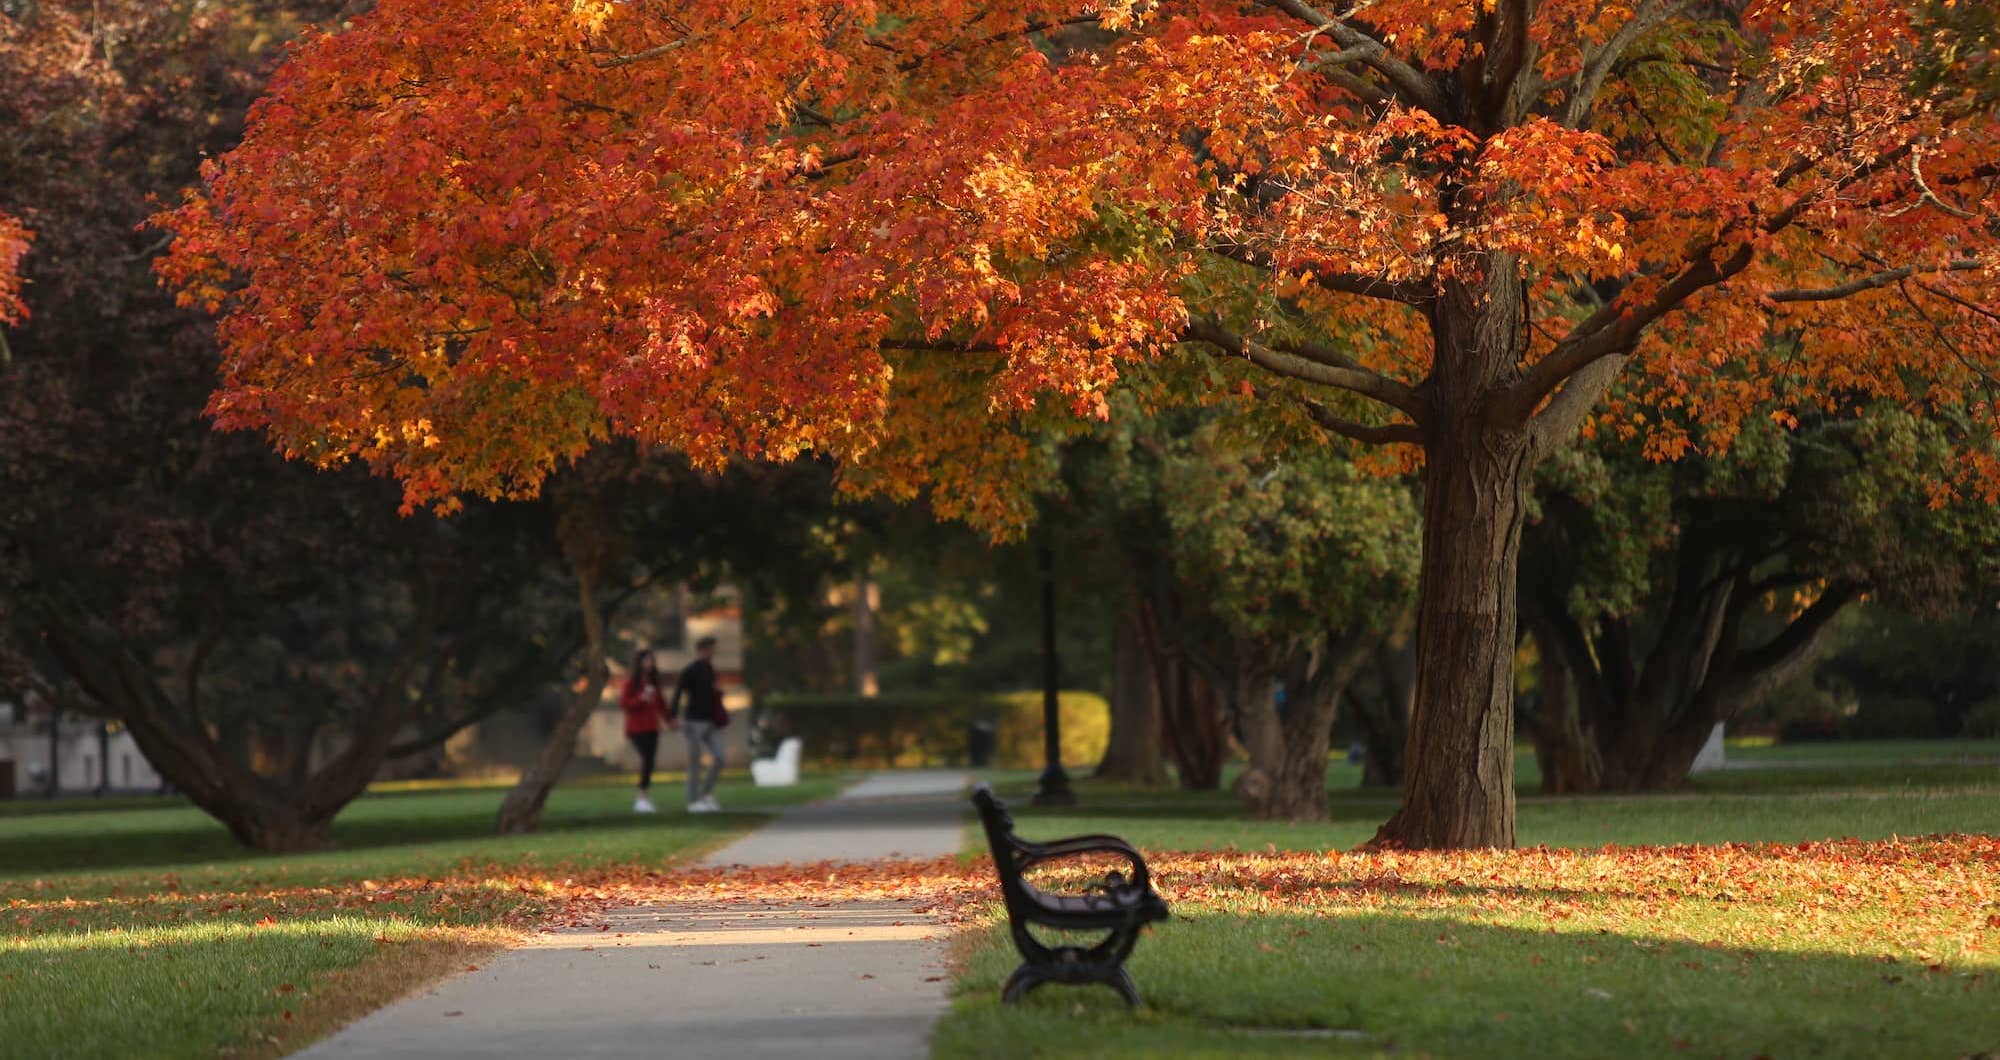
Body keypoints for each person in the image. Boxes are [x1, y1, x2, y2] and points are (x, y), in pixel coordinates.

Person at [671, 636, 726, 813]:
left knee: (719, 757)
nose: (713, 652)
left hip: (710, 722)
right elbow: (678, 692)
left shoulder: (710, 670)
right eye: (710, 649)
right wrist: (673, 716)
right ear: (702, 650)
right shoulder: (691, 670)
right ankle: (693, 800)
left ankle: (705, 795)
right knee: (694, 762)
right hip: (693, 721)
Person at [619, 649, 673, 813]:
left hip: (652, 727)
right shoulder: (631, 683)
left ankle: (644, 796)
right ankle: (642, 797)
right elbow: (624, 704)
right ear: (640, 662)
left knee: (649, 762)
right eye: (646, 660)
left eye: (651, 660)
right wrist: (640, 699)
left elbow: (661, 704)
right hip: (637, 728)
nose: (650, 663)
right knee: (647, 760)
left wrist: (670, 720)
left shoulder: (653, 682)